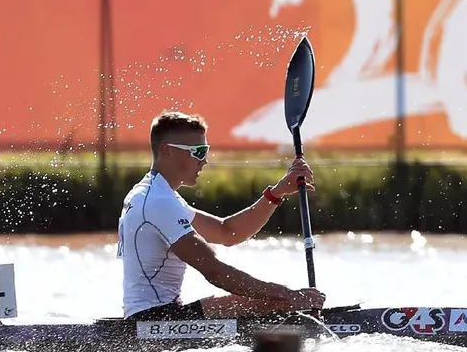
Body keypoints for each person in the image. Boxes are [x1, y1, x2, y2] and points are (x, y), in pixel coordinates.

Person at [118, 110, 326, 320]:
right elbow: (214, 271)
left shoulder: (157, 194)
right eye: (197, 151)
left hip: (158, 314)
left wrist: (276, 193)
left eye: (205, 150)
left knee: (269, 300)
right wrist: (287, 296)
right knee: (271, 301)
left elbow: (228, 232)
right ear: (166, 150)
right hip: (154, 319)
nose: (204, 161)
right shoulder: (157, 201)